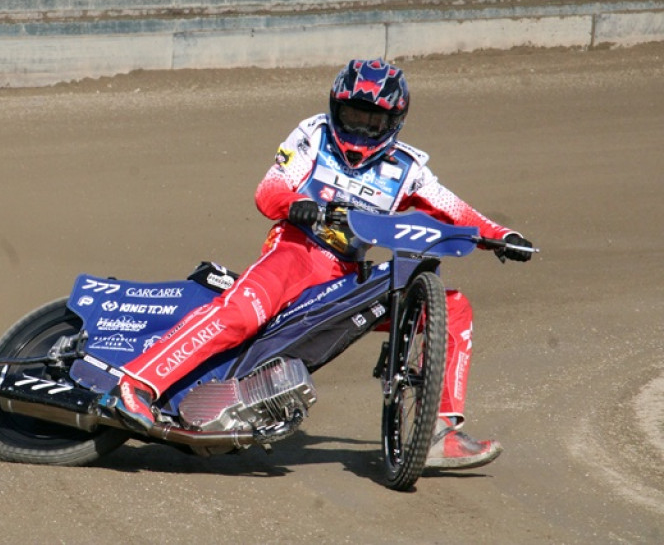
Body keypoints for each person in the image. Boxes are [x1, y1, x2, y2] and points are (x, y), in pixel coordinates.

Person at [104, 58, 534, 470]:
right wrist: (297, 206)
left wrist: (501, 236)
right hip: (294, 252)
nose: (362, 127)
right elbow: (268, 192)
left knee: (454, 307)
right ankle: (136, 384)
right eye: (353, 114)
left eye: (374, 120)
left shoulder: (408, 168)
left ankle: (441, 435)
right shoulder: (312, 135)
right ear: (335, 106)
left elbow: (454, 209)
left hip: (347, 277)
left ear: (395, 122)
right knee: (240, 314)